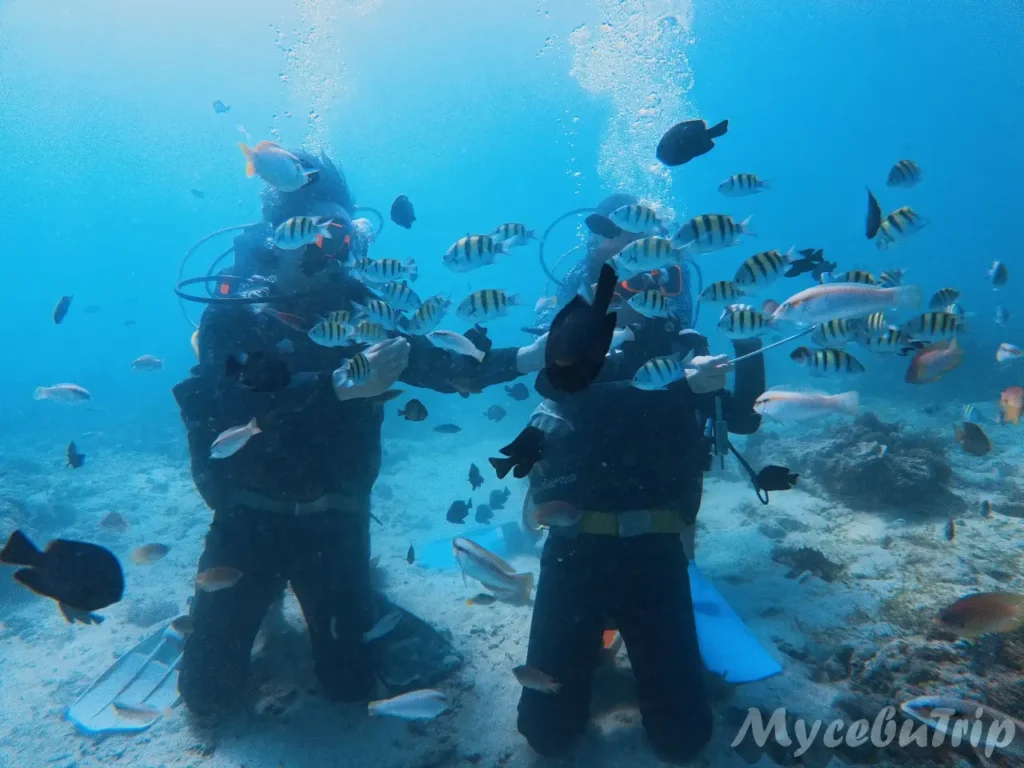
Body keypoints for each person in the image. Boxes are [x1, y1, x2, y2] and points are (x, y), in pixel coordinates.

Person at [172, 149, 548, 716]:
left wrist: (527, 358)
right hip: (247, 517)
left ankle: (346, 600)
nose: (328, 252)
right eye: (314, 236)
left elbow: (436, 361)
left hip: (336, 522)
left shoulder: (365, 307)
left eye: (342, 237)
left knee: (351, 686)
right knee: (206, 696)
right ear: (278, 237)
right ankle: (265, 602)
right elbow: (225, 405)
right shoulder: (232, 313)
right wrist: (335, 388)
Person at [515, 196, 768, 763]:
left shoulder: (687, 353)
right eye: (624, 280)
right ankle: (599, 645)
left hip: (657, 552)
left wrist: (752, 342)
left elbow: (748, 418)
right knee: (547, 732)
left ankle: (613, 644)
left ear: (678, 284)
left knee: (685, 737)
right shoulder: (573, 346)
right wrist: (675, 387)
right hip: (574, 550)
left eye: (659, 277)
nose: (644, 293)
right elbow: (564, 390)